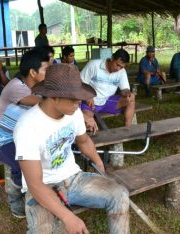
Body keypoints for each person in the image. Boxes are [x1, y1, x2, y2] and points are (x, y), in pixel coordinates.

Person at [14, 64, 129, 233]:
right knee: (44, 231)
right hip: (43, 187)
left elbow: (83, 141)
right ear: (53, 96)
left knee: (120, 195)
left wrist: (99, 164)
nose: (79, 103)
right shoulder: (27, 126)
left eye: (80, 97)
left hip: (73, 179)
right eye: (74, 98)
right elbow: (35, 184)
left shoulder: (73, 113)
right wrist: (68, 218)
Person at [0, 49, 49, 218]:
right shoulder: (17, 88)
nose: (49, 73)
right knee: (23, 166)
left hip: (22, 135)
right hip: (4, 140)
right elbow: (45, 104)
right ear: (32, 72)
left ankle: (30, 189)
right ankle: (16, 198)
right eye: (46, 70)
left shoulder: (33, 85)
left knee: (42, 160)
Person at [80, 49, 135, 127]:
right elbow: (79, 83)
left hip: (107, 101)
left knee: (131, 98)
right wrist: (87, 96)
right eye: (117, 65)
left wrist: (128, 93)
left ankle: (128, 129)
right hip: (90, 102)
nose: (118, 69)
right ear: (112, 58)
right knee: (87, 122)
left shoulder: (122, 71)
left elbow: (125, 89)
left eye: (121, 67)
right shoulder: (94, 65)